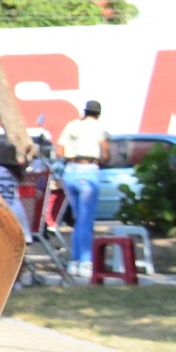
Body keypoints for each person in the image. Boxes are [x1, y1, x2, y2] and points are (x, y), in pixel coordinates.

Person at [57, 100, 114, 273]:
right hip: (89, 170)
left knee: (77, 219)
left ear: (84, 111)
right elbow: (105, 154)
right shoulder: (99, 127)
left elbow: (60, 150)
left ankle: (74, 261)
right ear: (98, 113)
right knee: (86, 220)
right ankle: (86, 261)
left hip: (71, 172)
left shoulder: (72, 125)